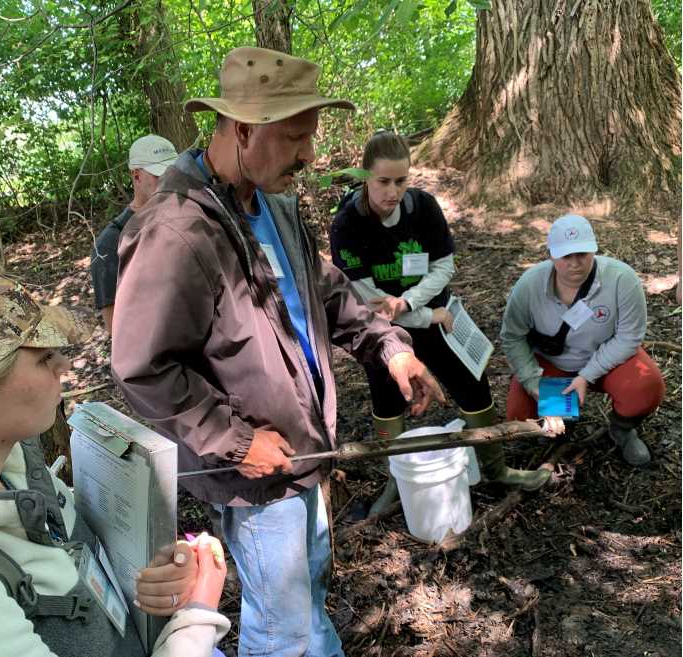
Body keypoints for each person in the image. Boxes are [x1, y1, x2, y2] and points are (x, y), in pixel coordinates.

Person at [111, 47, 445, 657]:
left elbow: (325, 293)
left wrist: (391, 348)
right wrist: (237, 440)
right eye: (296, 137)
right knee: (280, 630)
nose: (310, 155)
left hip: (305, 451)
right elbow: (143, 367)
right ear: (242, 130)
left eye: (310, 136)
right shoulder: (176, 231)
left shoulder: (270, 203)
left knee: (304, 590)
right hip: (258, 472)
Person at [0, 266, 229, 657]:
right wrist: (197, 620)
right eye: (44, 357)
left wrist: (147, 580)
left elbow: (77, 572)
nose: (64, 366)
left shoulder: (7, 468)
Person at [330, 131, 550, 515]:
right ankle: (396, 483)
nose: (392, 191)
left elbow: (443, 264)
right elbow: (369, 301)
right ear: (365, 176)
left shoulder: (423, 208)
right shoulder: (348, 223)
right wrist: (424, 313)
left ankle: (494, 469)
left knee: (473, 384)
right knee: (387, 396)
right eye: (383, 181)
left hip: (431, 312)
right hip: (385, 329)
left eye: (401, 181)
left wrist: (410, 301)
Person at [501, 214, 666, 465]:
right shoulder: (529, 286)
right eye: (566, 256)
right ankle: (559, 423)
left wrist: (587, 376)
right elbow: (512, 337)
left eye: (582, 254)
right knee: (520, 413)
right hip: (551, 362)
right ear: (551, 255)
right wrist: (532, 382)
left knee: (645, 388)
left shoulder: (622, 279)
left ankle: (622, 428)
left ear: (594, 251)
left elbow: (629, 337)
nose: (575, 264)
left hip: (605, 360)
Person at [91, 135, 178, 333]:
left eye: (173, 174)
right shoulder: (109, 245)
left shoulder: (184, 218)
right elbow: (116, 329)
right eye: (159, 175)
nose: (170, 183)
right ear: (136, 175)